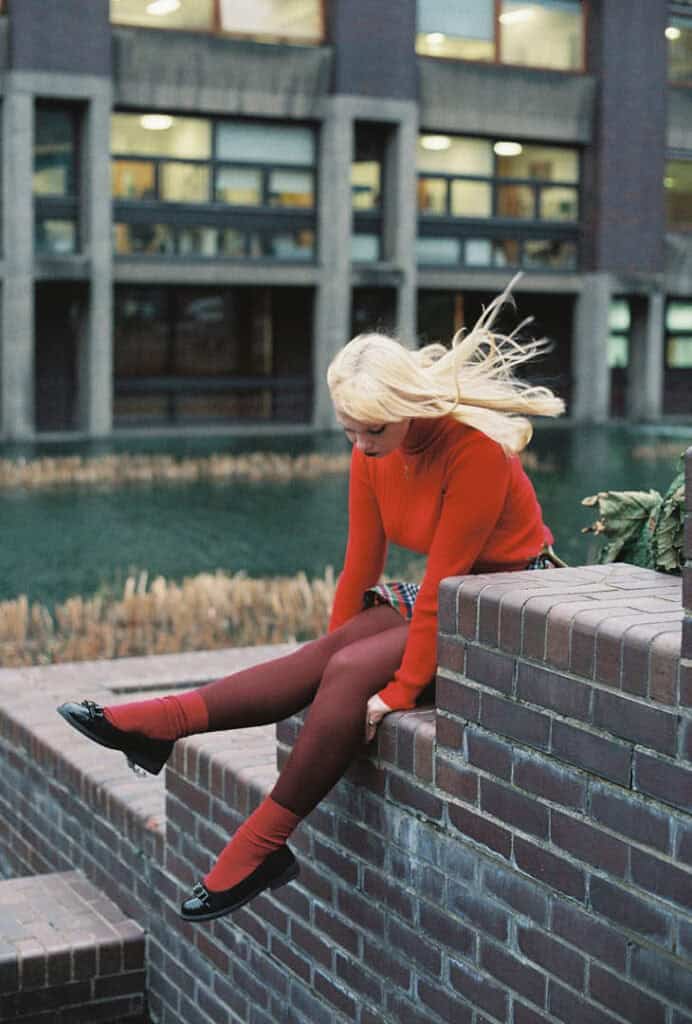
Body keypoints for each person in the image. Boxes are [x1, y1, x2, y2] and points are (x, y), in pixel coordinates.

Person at [57, 282, 564, 923]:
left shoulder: (474, 454)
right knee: (335, 658)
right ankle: (164, 723)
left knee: (353, 674)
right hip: (457, 594)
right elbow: (360, 563)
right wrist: (331, 656)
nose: (361, 445)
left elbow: (443, 583)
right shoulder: (373, 452)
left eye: (372, 430)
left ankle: (261, 846)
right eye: (349, 431)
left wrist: (397, 691)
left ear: (408, 405)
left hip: (511, 601)